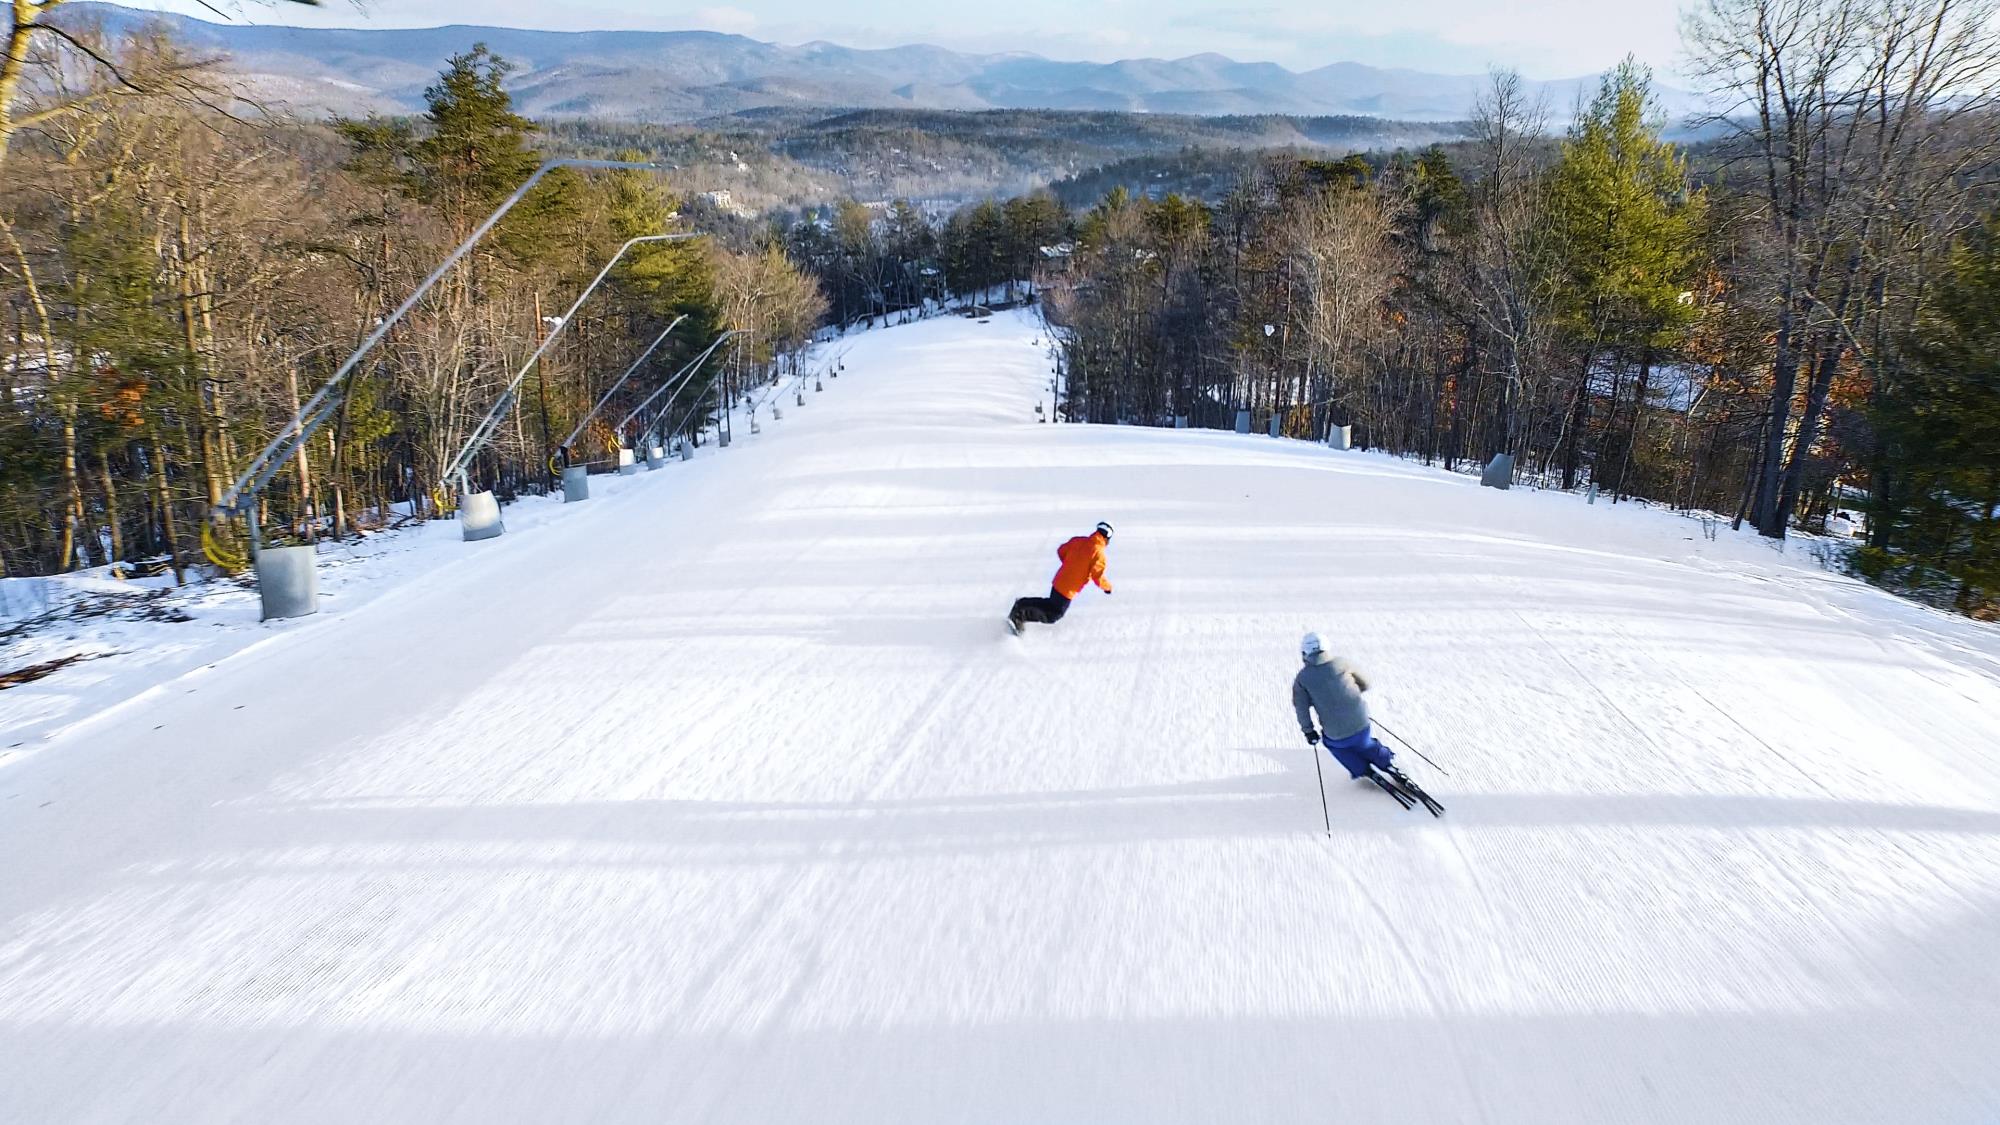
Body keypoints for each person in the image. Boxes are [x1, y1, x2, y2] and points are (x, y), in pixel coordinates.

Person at [1292, 631, 1395, 780]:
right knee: (1364, 743)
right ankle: (1387, 761)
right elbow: (1365, 684)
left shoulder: (1302, 679)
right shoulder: (1342, 663)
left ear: (1304, 652)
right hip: (1361, 721)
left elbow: (1301, 708)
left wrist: (1309, 731)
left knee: (1337, 746)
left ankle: (1362, 771)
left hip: (1335, 734)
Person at [1008, 521, 1114, 634]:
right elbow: (1097, 577)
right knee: (1054, 614)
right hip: (1069, 588)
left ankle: (1022, 604)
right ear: (1107, 538)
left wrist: (1069, 565)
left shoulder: (1078, 540)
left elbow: (1061, 551)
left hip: (1059, 580)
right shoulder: (1099, 554)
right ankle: (1020, 615)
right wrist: (1108, 587)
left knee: (1050, 604)